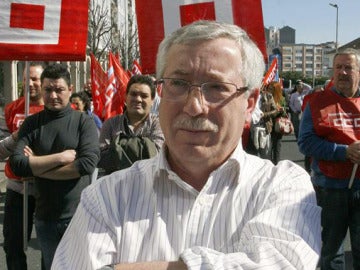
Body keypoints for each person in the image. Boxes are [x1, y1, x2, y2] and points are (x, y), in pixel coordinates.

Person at [52, 20, 321, 270]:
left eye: (216, 87)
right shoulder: (106, 198)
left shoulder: (282, 187)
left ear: (249, 103)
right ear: (161, 92)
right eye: (178, 84)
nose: (194, 106)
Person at [9, 63, 100, 270]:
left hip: (78, 216)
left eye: (59, 89)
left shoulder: (83, 122)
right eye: (48, 89)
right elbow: (17, 165)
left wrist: (37, 167)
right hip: (45, 218)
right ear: (42, 90)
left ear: (70, 89)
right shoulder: (31, 124)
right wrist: (59, 158)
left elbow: (87, 164)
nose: (53, 95)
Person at [298, 48, 360, 270]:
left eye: (349, 67)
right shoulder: (317, 101)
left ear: (359, 71)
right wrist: (343, 151)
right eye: (338, 67)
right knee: (331, 254)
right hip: (330, 189)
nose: (342, 73)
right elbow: (305, 143)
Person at [3, 62, 45, 270]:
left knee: (49, 247)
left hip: (48, 189)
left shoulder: (56, 109)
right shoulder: (11, 109)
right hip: (17, 189)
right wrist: (16, 137)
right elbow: (1, 149)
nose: (30, 83)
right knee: (13, 246)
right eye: (26, 78)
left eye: (35, 78)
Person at [98, 74, 164, 175]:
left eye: (144, 96)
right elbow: (102, 158)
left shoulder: (159, 124)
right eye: (133, 94)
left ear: (152, 100)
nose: (138, 99)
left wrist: (117, 145)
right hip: (115, 187)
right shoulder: (110, 124)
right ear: (126, 97)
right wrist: (145, 147)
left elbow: (156, 156)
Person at [267, 81, 287, 165]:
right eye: (268, 88)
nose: (269, 90)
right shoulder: (266, 97)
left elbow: (285, 114)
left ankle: (276, 165)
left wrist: (282, 111)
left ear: (277, 90)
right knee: (267, 147)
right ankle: (268, 164)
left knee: (277, 147)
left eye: (272, 89)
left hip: (277, 125)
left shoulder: (281, 99)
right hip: (267, 124)